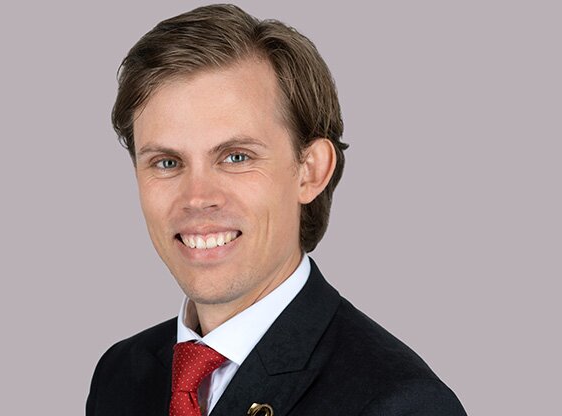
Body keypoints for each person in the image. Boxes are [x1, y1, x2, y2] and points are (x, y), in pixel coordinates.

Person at [86, 4, 467, 415]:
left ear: (310, 171)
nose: (196, 197)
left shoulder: (400, 403)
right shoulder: (122, 375)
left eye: (236, 157)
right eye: (166, 162)